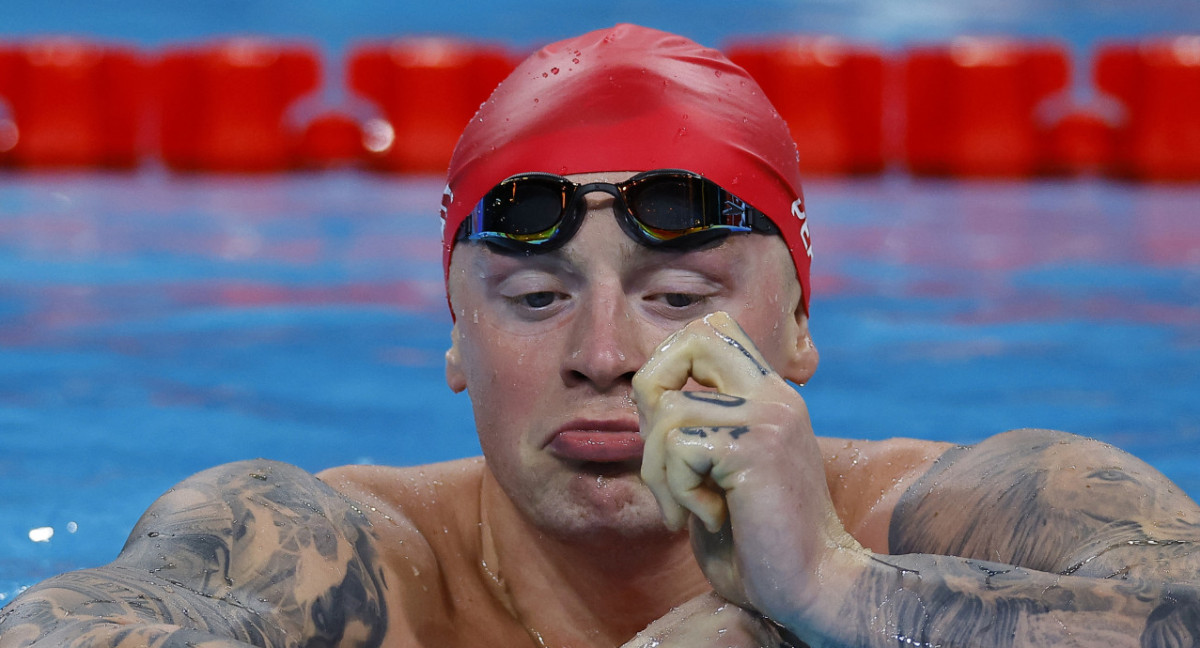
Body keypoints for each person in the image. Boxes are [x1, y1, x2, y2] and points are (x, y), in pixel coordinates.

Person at [2, 23, 1199, 648]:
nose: (607, 351)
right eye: (536, 298)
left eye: (680, 296)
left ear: (797, 331)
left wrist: (837, 594)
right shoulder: (337, 555)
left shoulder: (967, 511)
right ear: (457, 336)